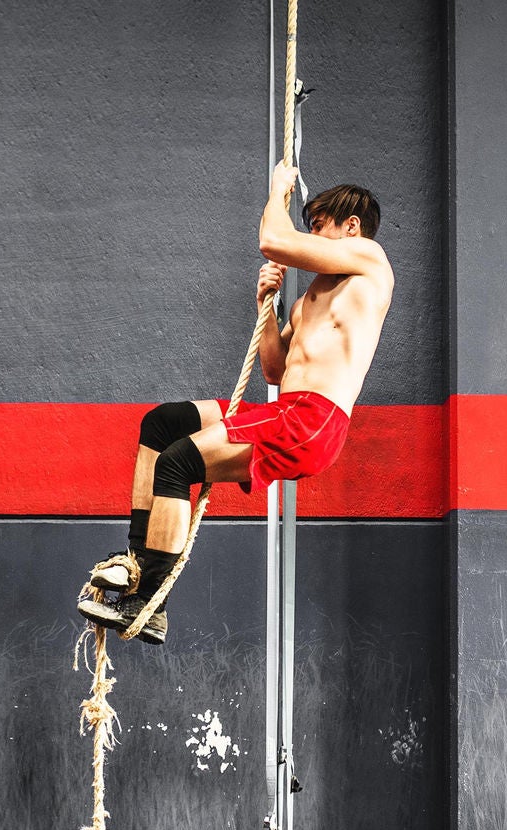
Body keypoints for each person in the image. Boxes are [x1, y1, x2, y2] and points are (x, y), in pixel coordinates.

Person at [80, 161, 394, 643]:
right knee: (163, 424)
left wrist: (277, 192)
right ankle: (136, 565)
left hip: (313, 420)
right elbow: (273, 369)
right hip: (283, 409)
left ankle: (149, 601)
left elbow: (273, 239)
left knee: (178, 463)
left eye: (319, 225)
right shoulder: (308, 301)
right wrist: (265, 306)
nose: (310, 234)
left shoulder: (370, 262)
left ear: (351, 226)